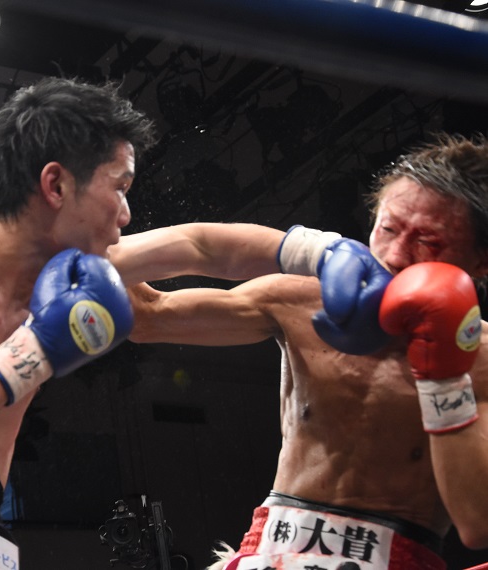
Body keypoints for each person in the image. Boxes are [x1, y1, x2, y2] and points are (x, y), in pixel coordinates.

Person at [0, 75, 294, 570]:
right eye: (120, 187)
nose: (126, 214)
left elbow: (198, 245)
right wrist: (40, 347)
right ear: (56, 185)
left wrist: (314, 251)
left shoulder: (71, 273)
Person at [125, 133, 488, 570]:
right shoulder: (301, 300)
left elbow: (477, 523)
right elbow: (146, 317)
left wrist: (444, 376)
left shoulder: (483, 362)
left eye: (428, 242)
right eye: (388, 228)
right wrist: (85, 231)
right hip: (271, 547)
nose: (394, 255)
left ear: (480, 262)